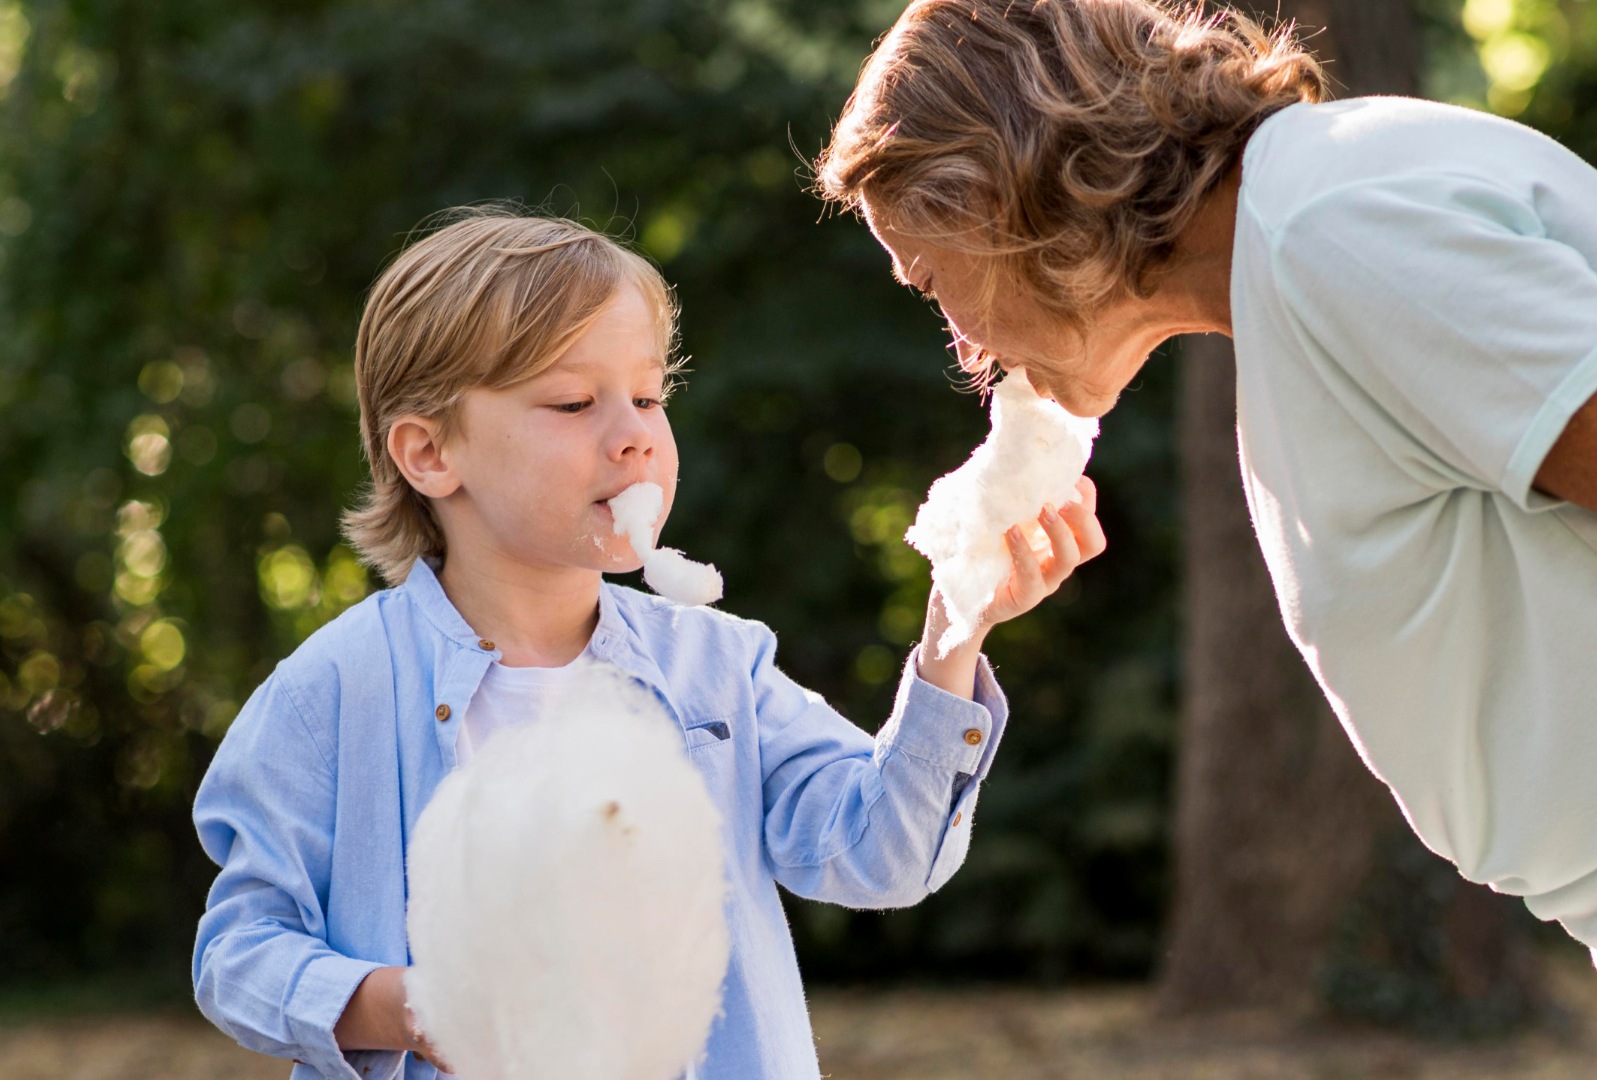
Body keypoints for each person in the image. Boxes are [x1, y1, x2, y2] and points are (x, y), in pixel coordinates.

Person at [814, 1, 1597, 1076]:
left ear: (1009, 196)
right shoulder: (1299, 261)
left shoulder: (1337, 231)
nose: (958, 339)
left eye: (932, 280)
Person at [190, 210, 1107, 1080]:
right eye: (574, 402)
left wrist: (955, 626)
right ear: (431, 453)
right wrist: (407, 1006)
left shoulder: (717, 670)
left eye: (645, 396)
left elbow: (883, 856)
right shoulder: (333, 692)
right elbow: (239, 952)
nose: (633, 437)